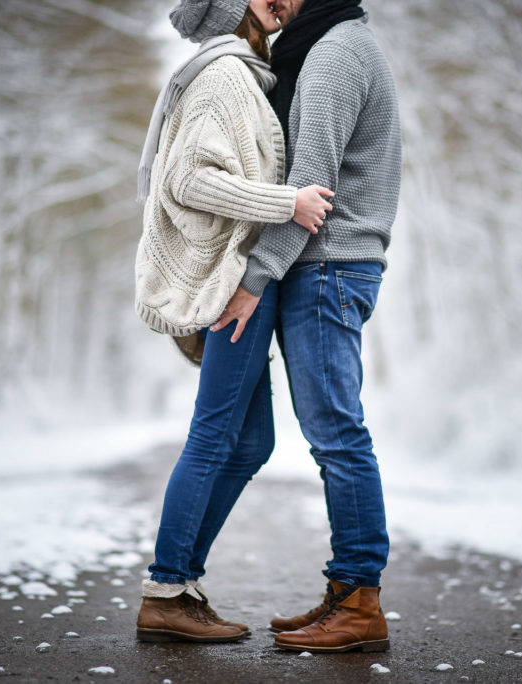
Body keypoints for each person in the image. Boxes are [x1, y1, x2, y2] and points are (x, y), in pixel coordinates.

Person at [133, 0, 334, 643]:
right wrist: (286, 202)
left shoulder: (243, 72)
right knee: (216, 435)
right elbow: (189, 180)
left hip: (243, 277)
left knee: (249, 443)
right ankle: (167, 589)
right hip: (231, 281)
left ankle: (179, 584)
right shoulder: (224, 75)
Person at [211, 0, 402, 653]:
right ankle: (346, 590)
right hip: (330, 267)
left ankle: (360, 602)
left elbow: (310, 192)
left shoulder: (333, 55)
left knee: (337, 436)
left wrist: (253, 279)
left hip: (327, 267)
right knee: (334, 435)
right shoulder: (332, 43)